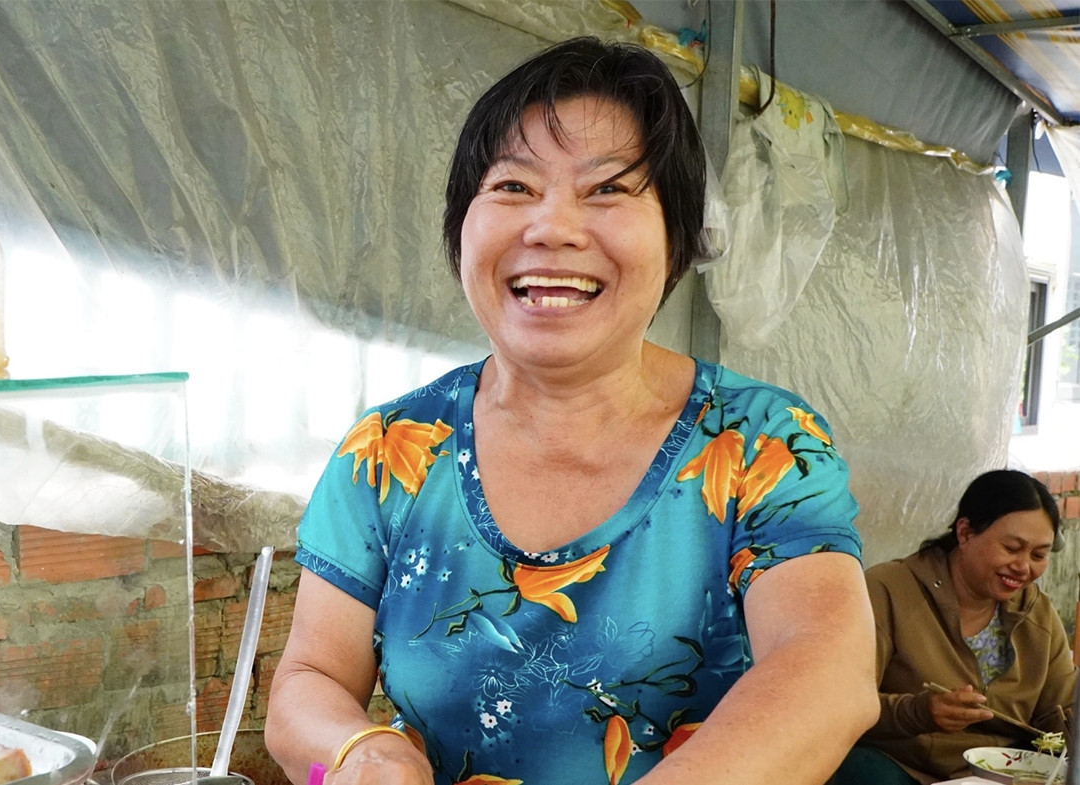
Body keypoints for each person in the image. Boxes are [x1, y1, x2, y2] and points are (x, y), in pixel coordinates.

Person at [264, 36, 878, 785]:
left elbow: (824, 670)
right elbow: (308, 682)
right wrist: (367, 754)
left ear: (677, 236)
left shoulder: (762, 446)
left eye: (609, 190)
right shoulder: (390, 451)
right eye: (514, 188)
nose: (552, 227)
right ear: (463, 226)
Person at [834, 469, 1072, 785]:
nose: (1024, 567)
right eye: (1012, 548)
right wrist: (919, 712)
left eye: (1039, 554)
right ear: (965, 533)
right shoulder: (889, 589)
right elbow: (842, 702)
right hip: (906, 766)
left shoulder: (1036, 613)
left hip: (1003, 772)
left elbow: (1057, 713)